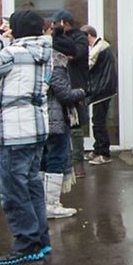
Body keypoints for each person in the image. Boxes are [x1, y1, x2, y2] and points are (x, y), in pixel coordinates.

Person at [0, 10, 53, 265]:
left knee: (14, 191)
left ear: (16, 30)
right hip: (36, 129)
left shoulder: (14, 54)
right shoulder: (44, 52)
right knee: (32, 185)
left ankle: (26, 244)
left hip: (15, 132)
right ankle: (40, 240)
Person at [41, 46, 85, 219]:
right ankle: (51, 204)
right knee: (56, 159)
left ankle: (42, 202)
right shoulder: (56, 64)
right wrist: (81, 93)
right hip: (56, 120)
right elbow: (64, 94)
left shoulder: (40, 61)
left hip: (44, 119)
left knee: (43, 160)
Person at [50, 10, 89, 175]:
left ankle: (78, 164)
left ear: (63, 23)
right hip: (63, 86)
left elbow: (74, 53)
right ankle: (67, 163)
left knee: (75, 126)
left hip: (75, 86)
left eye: (55, 24)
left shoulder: (80, 38)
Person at [82, 25, 118, 165]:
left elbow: (87, 66)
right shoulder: (103, 46)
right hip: (104, 89)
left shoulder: (99, 48)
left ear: (88, 36)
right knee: (98, 120)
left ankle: (104, 152)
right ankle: (98, 149)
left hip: (101, 90)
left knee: (98, 122)